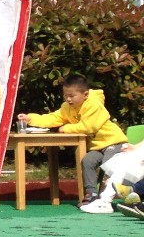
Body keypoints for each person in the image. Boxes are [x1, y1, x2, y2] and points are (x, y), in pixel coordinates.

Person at [19, 73, 130, 213]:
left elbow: (89, 127)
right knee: (87, 161)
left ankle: (108, 198)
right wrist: (30, 118)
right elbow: (54, 118)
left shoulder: (94, 104)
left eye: (72, 96)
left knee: (109, 165)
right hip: (97, 147)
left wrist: (65, 128)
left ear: (85, 94)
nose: (68, 99)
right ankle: (91, 194)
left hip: (114, 142)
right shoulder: (67, 107)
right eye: (66, 95)